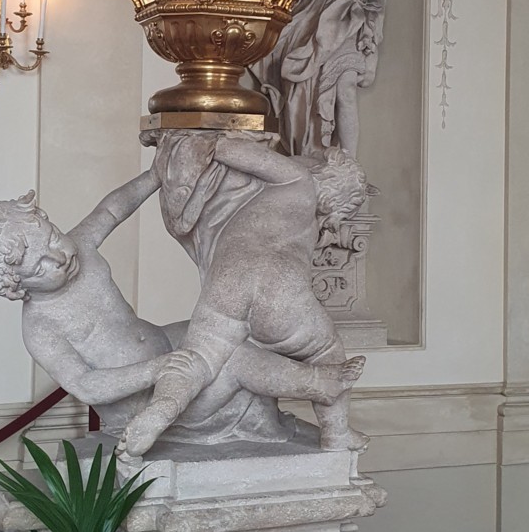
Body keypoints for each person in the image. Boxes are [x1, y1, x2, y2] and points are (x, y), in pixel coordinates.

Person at [0, 172, 360, 442]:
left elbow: (113, 209)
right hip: (144, 396)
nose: (59, 256)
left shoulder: (79, 245)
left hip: (167, 347)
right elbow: (86, 384)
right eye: (40, 267)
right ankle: (319, 385)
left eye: (53, 238)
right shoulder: (40, 326)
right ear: (16, 285)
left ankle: (301, 396)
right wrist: (155, 369)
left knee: (222, 329)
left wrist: (157, 174)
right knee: (233, 357)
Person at [119, 133, 367, 456]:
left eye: (314, 158)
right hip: (281, 289)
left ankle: (161, 410)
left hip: (228, 282)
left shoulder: (297, 179)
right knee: (326, 349)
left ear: (322, 170)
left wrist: (204, 142)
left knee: (196, 360)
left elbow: (231, 151)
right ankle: (336, 433)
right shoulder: (308, 223)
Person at [251, 0, 387, 158]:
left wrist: (375, 9)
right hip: (307, 13)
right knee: (301, 88)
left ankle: (349, 165)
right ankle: (305, 153)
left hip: (347, 14)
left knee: (346, 87)